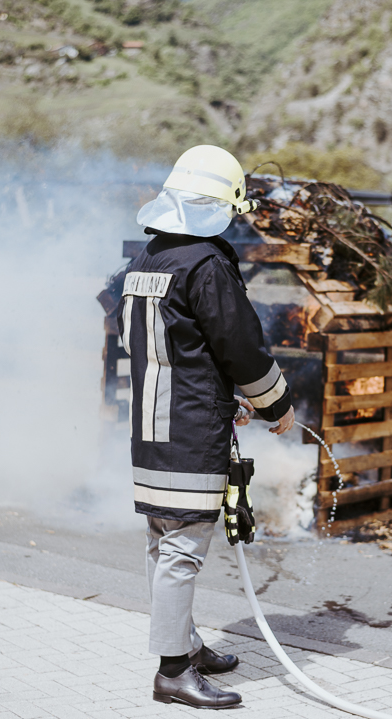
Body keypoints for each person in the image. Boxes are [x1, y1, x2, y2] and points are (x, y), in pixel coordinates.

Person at [116, 145, 295, 709]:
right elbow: (239, 345)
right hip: (189, 432)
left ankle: (186, 644)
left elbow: (160, 345)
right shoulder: (206, 263)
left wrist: (218, 396)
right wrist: (275, 404)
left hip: (150, 428)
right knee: (183, 549)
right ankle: (173, 673)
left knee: (162, 541)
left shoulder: (146, 259)